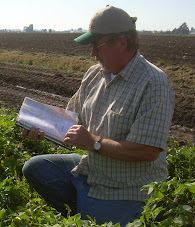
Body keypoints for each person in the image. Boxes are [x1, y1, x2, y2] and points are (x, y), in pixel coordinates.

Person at [22, 5, 175, 226]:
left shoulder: (153, 83)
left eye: (97, 45)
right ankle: (82, 207)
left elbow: (148, 151)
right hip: (92, 168)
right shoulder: (95, 74)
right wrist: (41, 126)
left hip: (126, 187)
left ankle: (93, 210)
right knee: (35, 167)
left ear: (122, 42)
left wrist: (93, 142)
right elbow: (72, 120)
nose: (92, 53)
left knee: (94, 220)